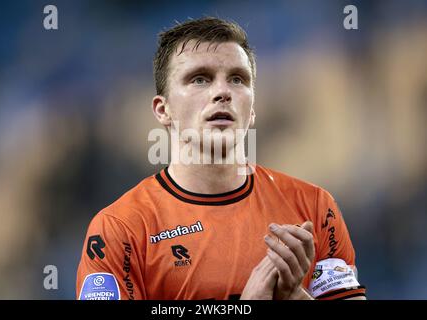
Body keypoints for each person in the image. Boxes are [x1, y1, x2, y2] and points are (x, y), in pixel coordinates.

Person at [76, 17, 366, 300]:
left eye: (237, 79)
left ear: (252, 110)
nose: (222, 92)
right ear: (163, 110)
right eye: (200, 79)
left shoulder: (314, 208)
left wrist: (293, 297)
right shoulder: (119, 228)